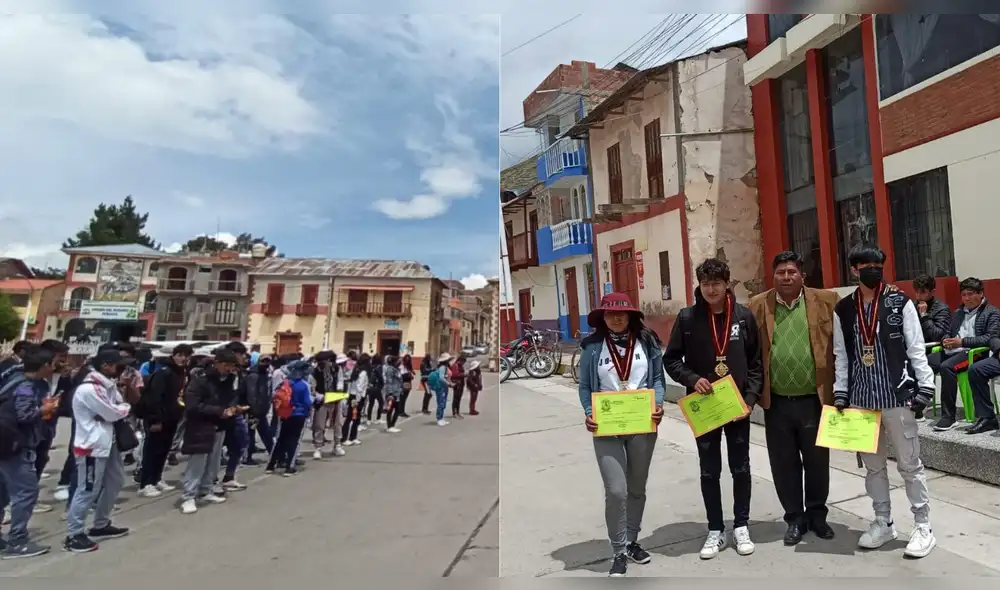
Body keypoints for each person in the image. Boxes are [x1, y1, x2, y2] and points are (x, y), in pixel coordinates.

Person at [832, 244, 936, 558]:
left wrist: (925, 386)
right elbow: (841, 354)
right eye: (865, 265)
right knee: (874, 468)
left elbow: (915, 347)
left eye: (877, 264)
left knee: (910, 465)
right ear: (854, 270)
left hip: (897, 397)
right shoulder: (844, 309)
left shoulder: (899, 303)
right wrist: (840, 391)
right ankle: (883, 521)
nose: (873, 270)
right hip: (862, 400)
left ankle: (923, 526)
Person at [664, 258, 763, 560]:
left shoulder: (743, 317)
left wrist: (750, 400)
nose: (711, 289)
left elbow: (756, 362)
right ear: (700, 285)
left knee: (740, 467)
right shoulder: (687, 318)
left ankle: (741, 525)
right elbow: (671, 360)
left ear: (726, 284)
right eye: (705, 284)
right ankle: (715, 529)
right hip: (705, 406)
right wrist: (692, 379)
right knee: (709, 470)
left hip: (736, 406)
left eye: (716, 283)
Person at [748, 251, 839, 546]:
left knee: (817, 462)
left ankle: (817, 516)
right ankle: (795, 519)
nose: (786, 277)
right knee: (784, 464)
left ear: (802, 276)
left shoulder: (827, 301)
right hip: (776, 403)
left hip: (814, 400)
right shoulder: (758, 305)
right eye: (780, 272)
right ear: (772, 276)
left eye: (791, 272)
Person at [577, 293, 666, 577]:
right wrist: (589, 412)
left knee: (637, 488)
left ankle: (631, 541)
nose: (616, 318)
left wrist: (658, 405)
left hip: (642, 423)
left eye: (622, 313)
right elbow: (585, 386)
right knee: (616, 490)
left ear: (630, 316)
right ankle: (618, 551)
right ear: (602, 318)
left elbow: (657, 379)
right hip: (608, 426)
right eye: (610, 314)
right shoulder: (592, 348)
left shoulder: (647, 342)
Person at [63, 348, 132, 553]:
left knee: (115, 481)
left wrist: (120, 409)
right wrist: (120, 410)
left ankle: (101, 524)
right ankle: (74, 534)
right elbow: (113, 412)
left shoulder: (107, 385)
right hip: (91, 447)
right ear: (106, 366)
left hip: (107, 443)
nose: (122, 369)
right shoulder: (90, 388)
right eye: (119, 365)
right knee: (87, 489)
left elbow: (120, 406)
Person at [0, 344, 59, 558]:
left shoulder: (11, 378)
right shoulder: (25, 386)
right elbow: (24, 415)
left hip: (5, 445)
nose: (55, 368)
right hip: (15, 447)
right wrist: (44, 409)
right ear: (44, 365)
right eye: (53, 364)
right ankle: (17, 540)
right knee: (26, 492)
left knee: (3, 492)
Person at [178, 347, 246, 515]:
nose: (229, 369)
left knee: (213, 463)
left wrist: (233, 408)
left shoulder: (228, 380)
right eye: (226, 365)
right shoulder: (200, 380)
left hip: (220, 426)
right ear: (217, 363)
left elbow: (229, 399)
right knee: (197, 463)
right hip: (201, 427)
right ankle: (188, 496)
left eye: (231, 366)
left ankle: (206, 490)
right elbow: (193, 406)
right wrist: (219, 411)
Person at [930, 277, 1000, 433]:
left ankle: (949, 416)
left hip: (973, 352)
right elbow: (948, 331)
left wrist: (962, 342)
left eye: (970, 294)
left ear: (980, 294)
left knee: (947, 367)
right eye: (963, 295)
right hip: (953, 349)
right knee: (923, 362)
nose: (966, 298)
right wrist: (945, 340)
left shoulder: (992, 312)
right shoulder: (959, 312)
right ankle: (917, 407)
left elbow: (990, 337)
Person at [136, 344, 192, 497]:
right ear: (173, 356)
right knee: (151, 451)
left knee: (163, 450)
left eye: (186, 356)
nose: (183, 359)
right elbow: (154, 398)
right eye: (180, 355)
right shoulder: (163, 372)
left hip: (172, 417)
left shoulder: (182, 373)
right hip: (157, 419)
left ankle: (157, 478)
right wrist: (155, 420)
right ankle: (146, 483)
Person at [912, 275, 953, 422]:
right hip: (913, 346)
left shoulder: (942, 309)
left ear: (932, 291)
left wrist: (924, 315)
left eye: (923, 292)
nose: (919, 296)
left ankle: (917, 408)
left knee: (915, 364)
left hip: (932, 348)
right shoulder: (911, 306)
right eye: (916, 291)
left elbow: (938, 335)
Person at [266, 360, 312, 476]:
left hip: (285, 414)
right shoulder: (303, 385)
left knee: (281, 439)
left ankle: (271, 465)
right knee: (294, 441)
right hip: (299, 415)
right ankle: (289, 467)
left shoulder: (285, 383)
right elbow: (307, 402)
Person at [220, 341, 251, 491]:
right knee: (216, 447)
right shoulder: (221, 373)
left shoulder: (240, 372)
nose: (244, 357)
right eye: (241, 354)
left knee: (241, 443)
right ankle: (210, 481)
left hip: (236, 413)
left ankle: (229, 476)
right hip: (223, 413)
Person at [244, 354, 274, 465]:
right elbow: (252, 394)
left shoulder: (264, 374)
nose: (266, 363)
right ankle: (247, 457)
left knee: (265, 433)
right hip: (254, 411)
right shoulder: (254, 375)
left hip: (261, 410)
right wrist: (254, 409)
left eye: (268, 361)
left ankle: (274, 454)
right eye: (263, 361)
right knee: (251, 434)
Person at [311, 353, 338, 459]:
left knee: (337, 424)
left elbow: (340, 382)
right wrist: (320, 397)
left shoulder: (335, 369)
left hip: (334, 398)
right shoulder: (314, 372)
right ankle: (318, 447)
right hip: (321, 400)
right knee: (319, 424)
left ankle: (337, 445)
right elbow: (312, 388)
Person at [341, 354, 369, 446]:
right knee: (353, 417)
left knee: (353, 417)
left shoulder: (356, 370)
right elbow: (360, 387)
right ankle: (347, 438)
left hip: (352, 395)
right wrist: (358, 399)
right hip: (358, 397)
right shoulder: (363, 372)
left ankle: (351, 437)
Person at [382, 356, 403, 433]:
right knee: (390, 410)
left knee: (397, 409)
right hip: (392, 392)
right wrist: (390, 393)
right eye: (398, 361)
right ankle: (389, 426)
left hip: (397, 392)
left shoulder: (397, 369)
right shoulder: (390, 370)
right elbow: (389, 382)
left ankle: (393, 425)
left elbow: (399, 380)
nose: (399, 362)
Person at [431, 354, 452, 427]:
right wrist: (448, 384)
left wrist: (450, 383)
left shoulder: (446, 367)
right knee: (441, 403)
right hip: (441, 387)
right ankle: (439, 418)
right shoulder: (442, 368)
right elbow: (441, 378)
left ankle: (441, 418)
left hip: (444, 387)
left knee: (443, 402)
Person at [366, 354, 385, 426]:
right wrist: (382, 384)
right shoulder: (379, 367)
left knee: (371, 403)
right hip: (377, 387)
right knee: (381, 402)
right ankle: (378, 418)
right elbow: (380, 377)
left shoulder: (371, 366)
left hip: (371, 386)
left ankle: (369, 419)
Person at [450, 355, 467, 420]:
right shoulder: (455, 365)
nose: (463, 363)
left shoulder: (460, 365)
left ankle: (458, 412)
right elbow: (454, 375)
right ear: (460, 360)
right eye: (463, 362)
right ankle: (454, 413)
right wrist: (463, 374)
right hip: (457, 384)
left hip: (461, 383)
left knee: (459, 398)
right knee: (455, 398)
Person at [399, 354, 414, 418]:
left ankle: (401, 411)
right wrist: (408, 375)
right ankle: (400, 411)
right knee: (402, 398)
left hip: (408, 383)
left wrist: (410, 376)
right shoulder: (402, 366)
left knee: (404, 398)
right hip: (403, 383)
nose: (408, 360)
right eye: (406, 359)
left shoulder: (408, 367)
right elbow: (401, 375)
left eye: (409, 359)